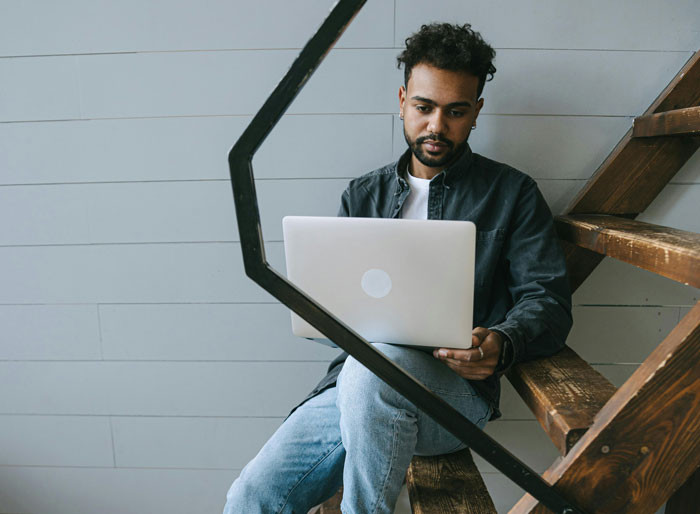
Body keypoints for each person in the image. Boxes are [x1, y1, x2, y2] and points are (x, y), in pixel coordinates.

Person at [223, 22, 572, 514]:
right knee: (250, 498)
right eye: (424, 108)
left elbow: (548, 301)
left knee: (373, 370)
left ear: (476, 112)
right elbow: (332, 310)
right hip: (352, 385)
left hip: (451, 399)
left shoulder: (512, 193)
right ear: (403, 100)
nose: (436, 126)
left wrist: (503, 341)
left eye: (456, 112)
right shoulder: (362, 194)